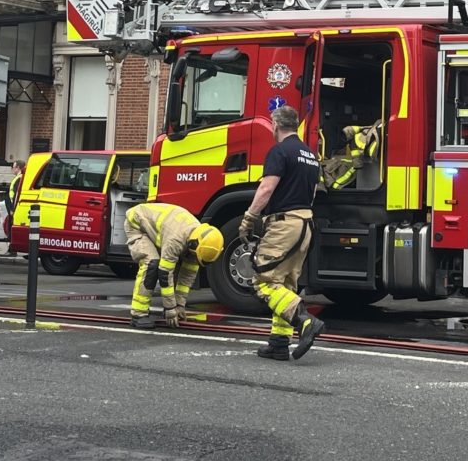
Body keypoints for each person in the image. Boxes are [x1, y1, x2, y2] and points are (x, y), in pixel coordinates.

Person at [239, 105, 325, 361]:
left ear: (275, 126)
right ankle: (279, 342)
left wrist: (249, 218)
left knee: (263, 281)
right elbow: (311, 193)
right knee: (286, 283)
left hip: (284, 223)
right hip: (305, 223)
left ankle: (304, 321)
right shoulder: (310, 155)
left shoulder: (279, 152)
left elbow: (267, 188)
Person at [122, 200, 223, 329]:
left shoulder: (199, 239)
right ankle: (138, 313)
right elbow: (165, 274)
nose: (194, 259)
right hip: (137, 225)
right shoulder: (176, 239)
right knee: (152, 264)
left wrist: (179, 305)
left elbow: (187, 277)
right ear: (193, 245)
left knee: (165, 264)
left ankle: (164, 307)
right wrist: (170, 309)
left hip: (157, 229)